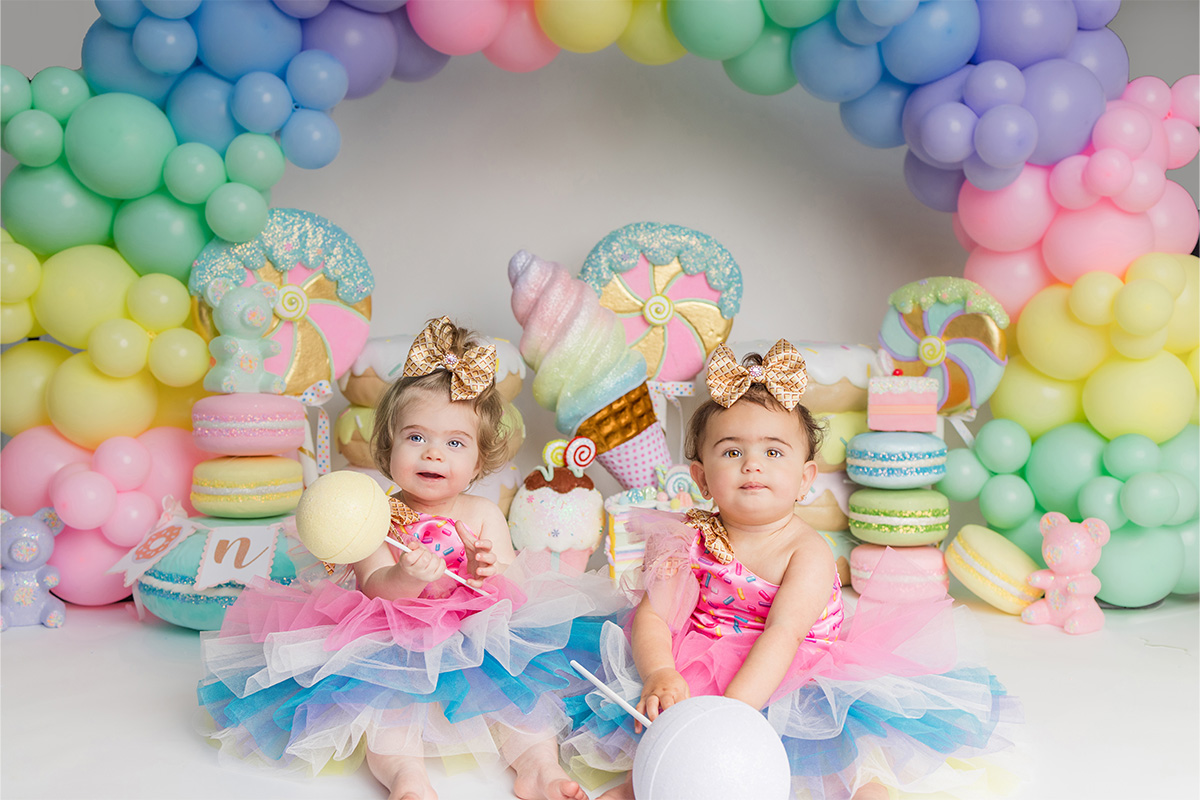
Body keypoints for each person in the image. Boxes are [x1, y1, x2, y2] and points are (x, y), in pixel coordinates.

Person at [562, 340, 1018, 800]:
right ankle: (633, 789)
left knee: (846, 764)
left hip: (793, 673)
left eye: (774, 452)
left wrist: (729, 717)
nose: (753, 463)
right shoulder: (683, 538)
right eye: (732, 452)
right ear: (700, 477)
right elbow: (655, 615)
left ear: (804, 479)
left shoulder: (807, 552)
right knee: (662, 753)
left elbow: (783, 634)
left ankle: (866, 789)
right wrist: (660, 670)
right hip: (698, 658)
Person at [198, 317, 626, 800]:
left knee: (522, 702)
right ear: (389, 446)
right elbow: (373, 584)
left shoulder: (482, 512)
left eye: (455, 443)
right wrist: (404, 575)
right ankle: (406, 777)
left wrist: (487, 567)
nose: (434, 455)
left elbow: (511, 582)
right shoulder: (375, 514)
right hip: (393, 637)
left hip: (477, 636)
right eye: (416, 437)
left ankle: (539, 768)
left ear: (479, 461)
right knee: (384, 709)